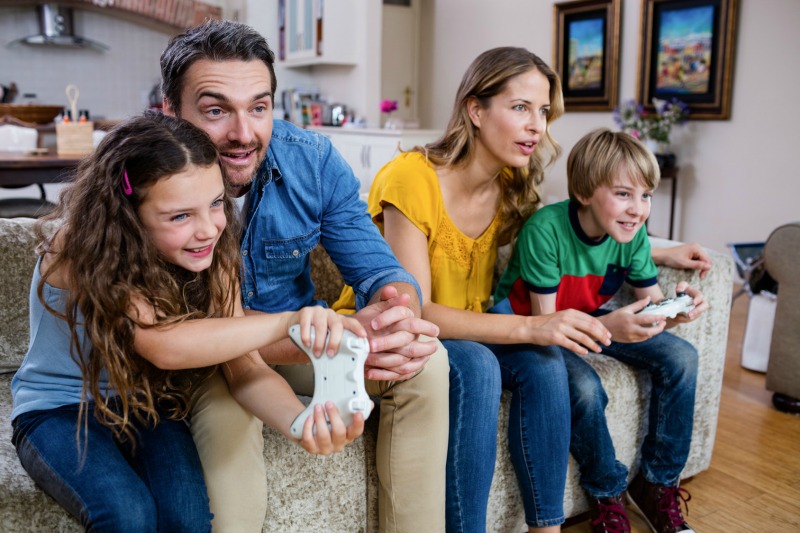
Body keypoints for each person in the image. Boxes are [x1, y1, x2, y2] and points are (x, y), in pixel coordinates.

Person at [333, 47, 714, 533]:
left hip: (479, 324)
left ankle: (546, 527)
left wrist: (656, 250)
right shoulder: (411, 178)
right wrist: (535, 324)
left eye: (542, 111)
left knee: (547, 362)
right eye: (520, 108)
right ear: (475, 109)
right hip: (408, 329)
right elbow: (417, 311)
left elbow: (566, 231)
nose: (537, 125)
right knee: (478, 363)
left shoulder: (513, 183)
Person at [10, 112, 367, 532]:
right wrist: (285, 322)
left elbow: (245, 368)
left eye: (216, 204)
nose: (208, 230)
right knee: (127, 514)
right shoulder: (79, 245)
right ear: (128, 214)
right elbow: (164, 344)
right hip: (58, 409)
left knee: (189, 518)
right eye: (180, 216)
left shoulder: (215, 254)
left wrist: (300, 422)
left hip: (145, 405)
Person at [160, 19, 450, 532]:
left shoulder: (311, 162)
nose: (244, 134)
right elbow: (202, 335)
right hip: (201, 359)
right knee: (228, 426)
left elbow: (383, 270)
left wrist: (396, 317)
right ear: (169, 111)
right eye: (215, 110)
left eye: (259, 107)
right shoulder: (148, 179)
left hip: (291, 341)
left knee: (426, 364)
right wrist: (326, 338)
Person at [494, 128, 708, 533]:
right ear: (586, 192)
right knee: (586, 387)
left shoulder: (632, 234)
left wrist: (676, 310)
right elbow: (549, 326)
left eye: (645, 196)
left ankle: (657, 486)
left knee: (682, 357)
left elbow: (651, 302)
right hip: (533, 327)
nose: (638, 209)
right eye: (624, 194)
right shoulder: (546, 230)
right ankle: (607, 494)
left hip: (585, 318)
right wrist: (610, 326)